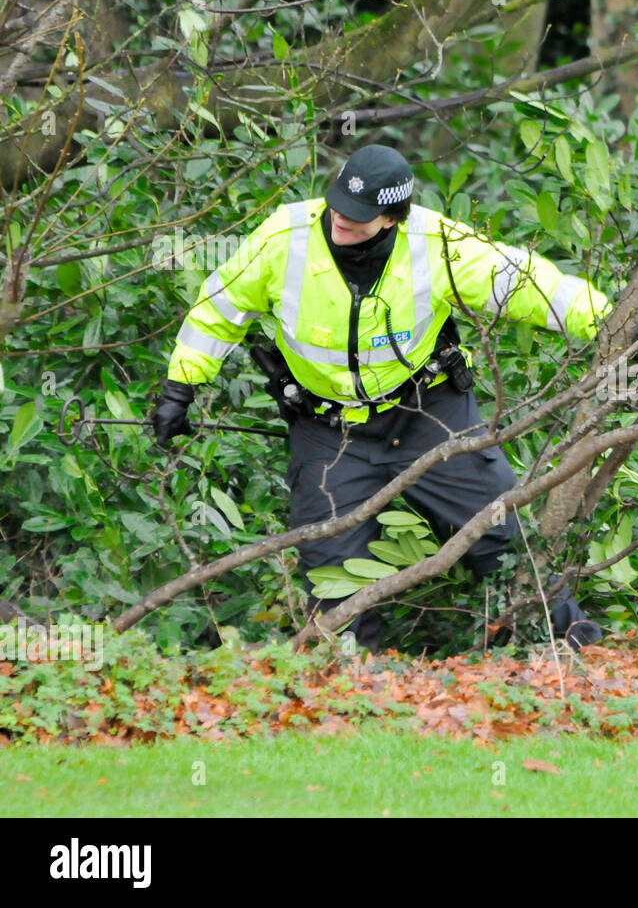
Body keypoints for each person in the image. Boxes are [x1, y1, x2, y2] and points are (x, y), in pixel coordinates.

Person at [152, 144, 611, 652]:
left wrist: (612, 321)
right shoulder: (286, 237)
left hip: (429, 414)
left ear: (392, 217)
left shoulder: (436, 243)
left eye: (359, 217)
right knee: (331, 571)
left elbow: (525, 283)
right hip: (328, 430)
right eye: (337, 207)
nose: (340, 222)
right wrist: (181, 387)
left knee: (498, 531)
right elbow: (221, 306)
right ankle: (352, 683)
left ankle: (574, 646)